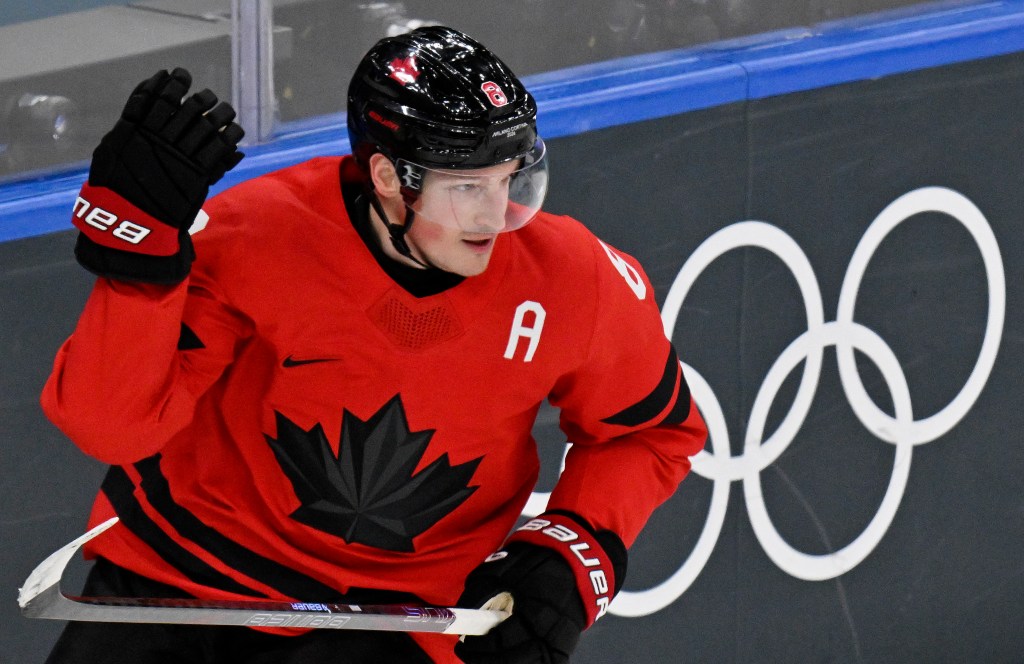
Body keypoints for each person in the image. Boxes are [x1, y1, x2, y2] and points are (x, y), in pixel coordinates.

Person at [40, 26, 707, 664]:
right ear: (389, 177)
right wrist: (136, 272)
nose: (495, 214)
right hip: (177, 576)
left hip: (386, 616)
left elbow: (652, 434)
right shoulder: (258, 236)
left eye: (509, 179)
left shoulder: (574, 279)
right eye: (467, 187)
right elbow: (110, 429)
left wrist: (575, 548)